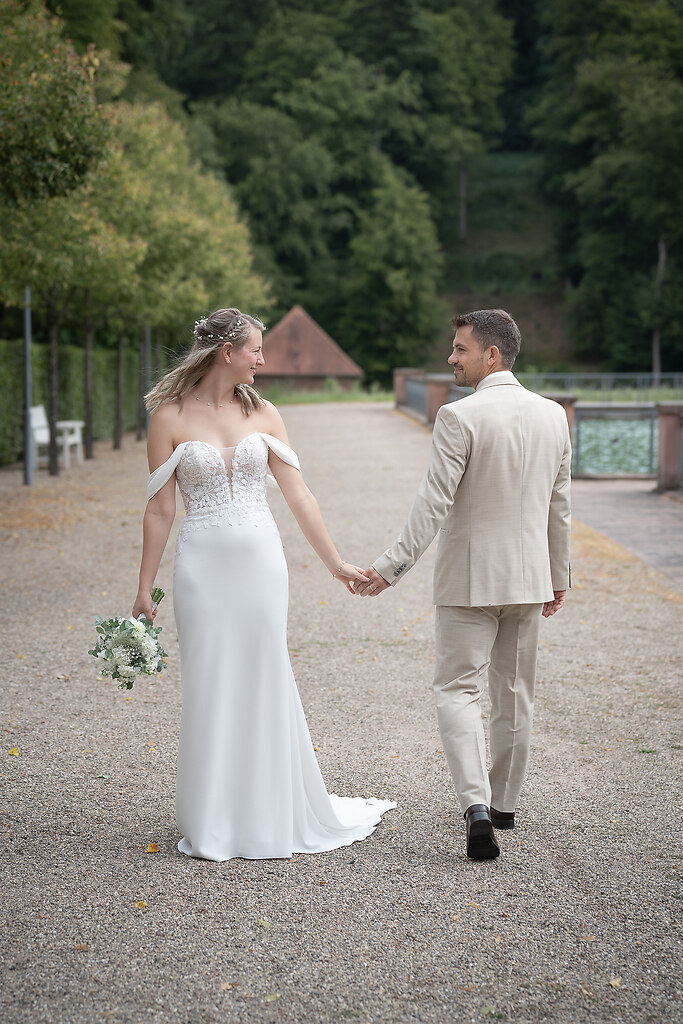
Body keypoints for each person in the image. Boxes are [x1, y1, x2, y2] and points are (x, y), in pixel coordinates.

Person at [132, 307, 394, 861]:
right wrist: (144, 588)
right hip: (201, 568)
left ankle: (270, 809)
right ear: (227, 353)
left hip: (261, 565)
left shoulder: (266, 413)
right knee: (210, 680)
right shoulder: (168, 416)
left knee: (263, 672)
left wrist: (335, 562)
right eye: (255, 349)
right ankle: (213, 817)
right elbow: (160, 509)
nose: (263, 359)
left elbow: (299, 494)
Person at [355, 309, 571, 860]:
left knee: (457, 689)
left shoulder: (458, 416)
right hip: (530, 580)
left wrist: (390, 568)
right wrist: (559, 576)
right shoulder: (554, 416)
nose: (450, 357)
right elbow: (559, 506)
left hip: (468, 580)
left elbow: (433, 502)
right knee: (515, 692)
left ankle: (475, 806)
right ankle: (504, 806)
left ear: (491, 355)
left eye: (460, 349)